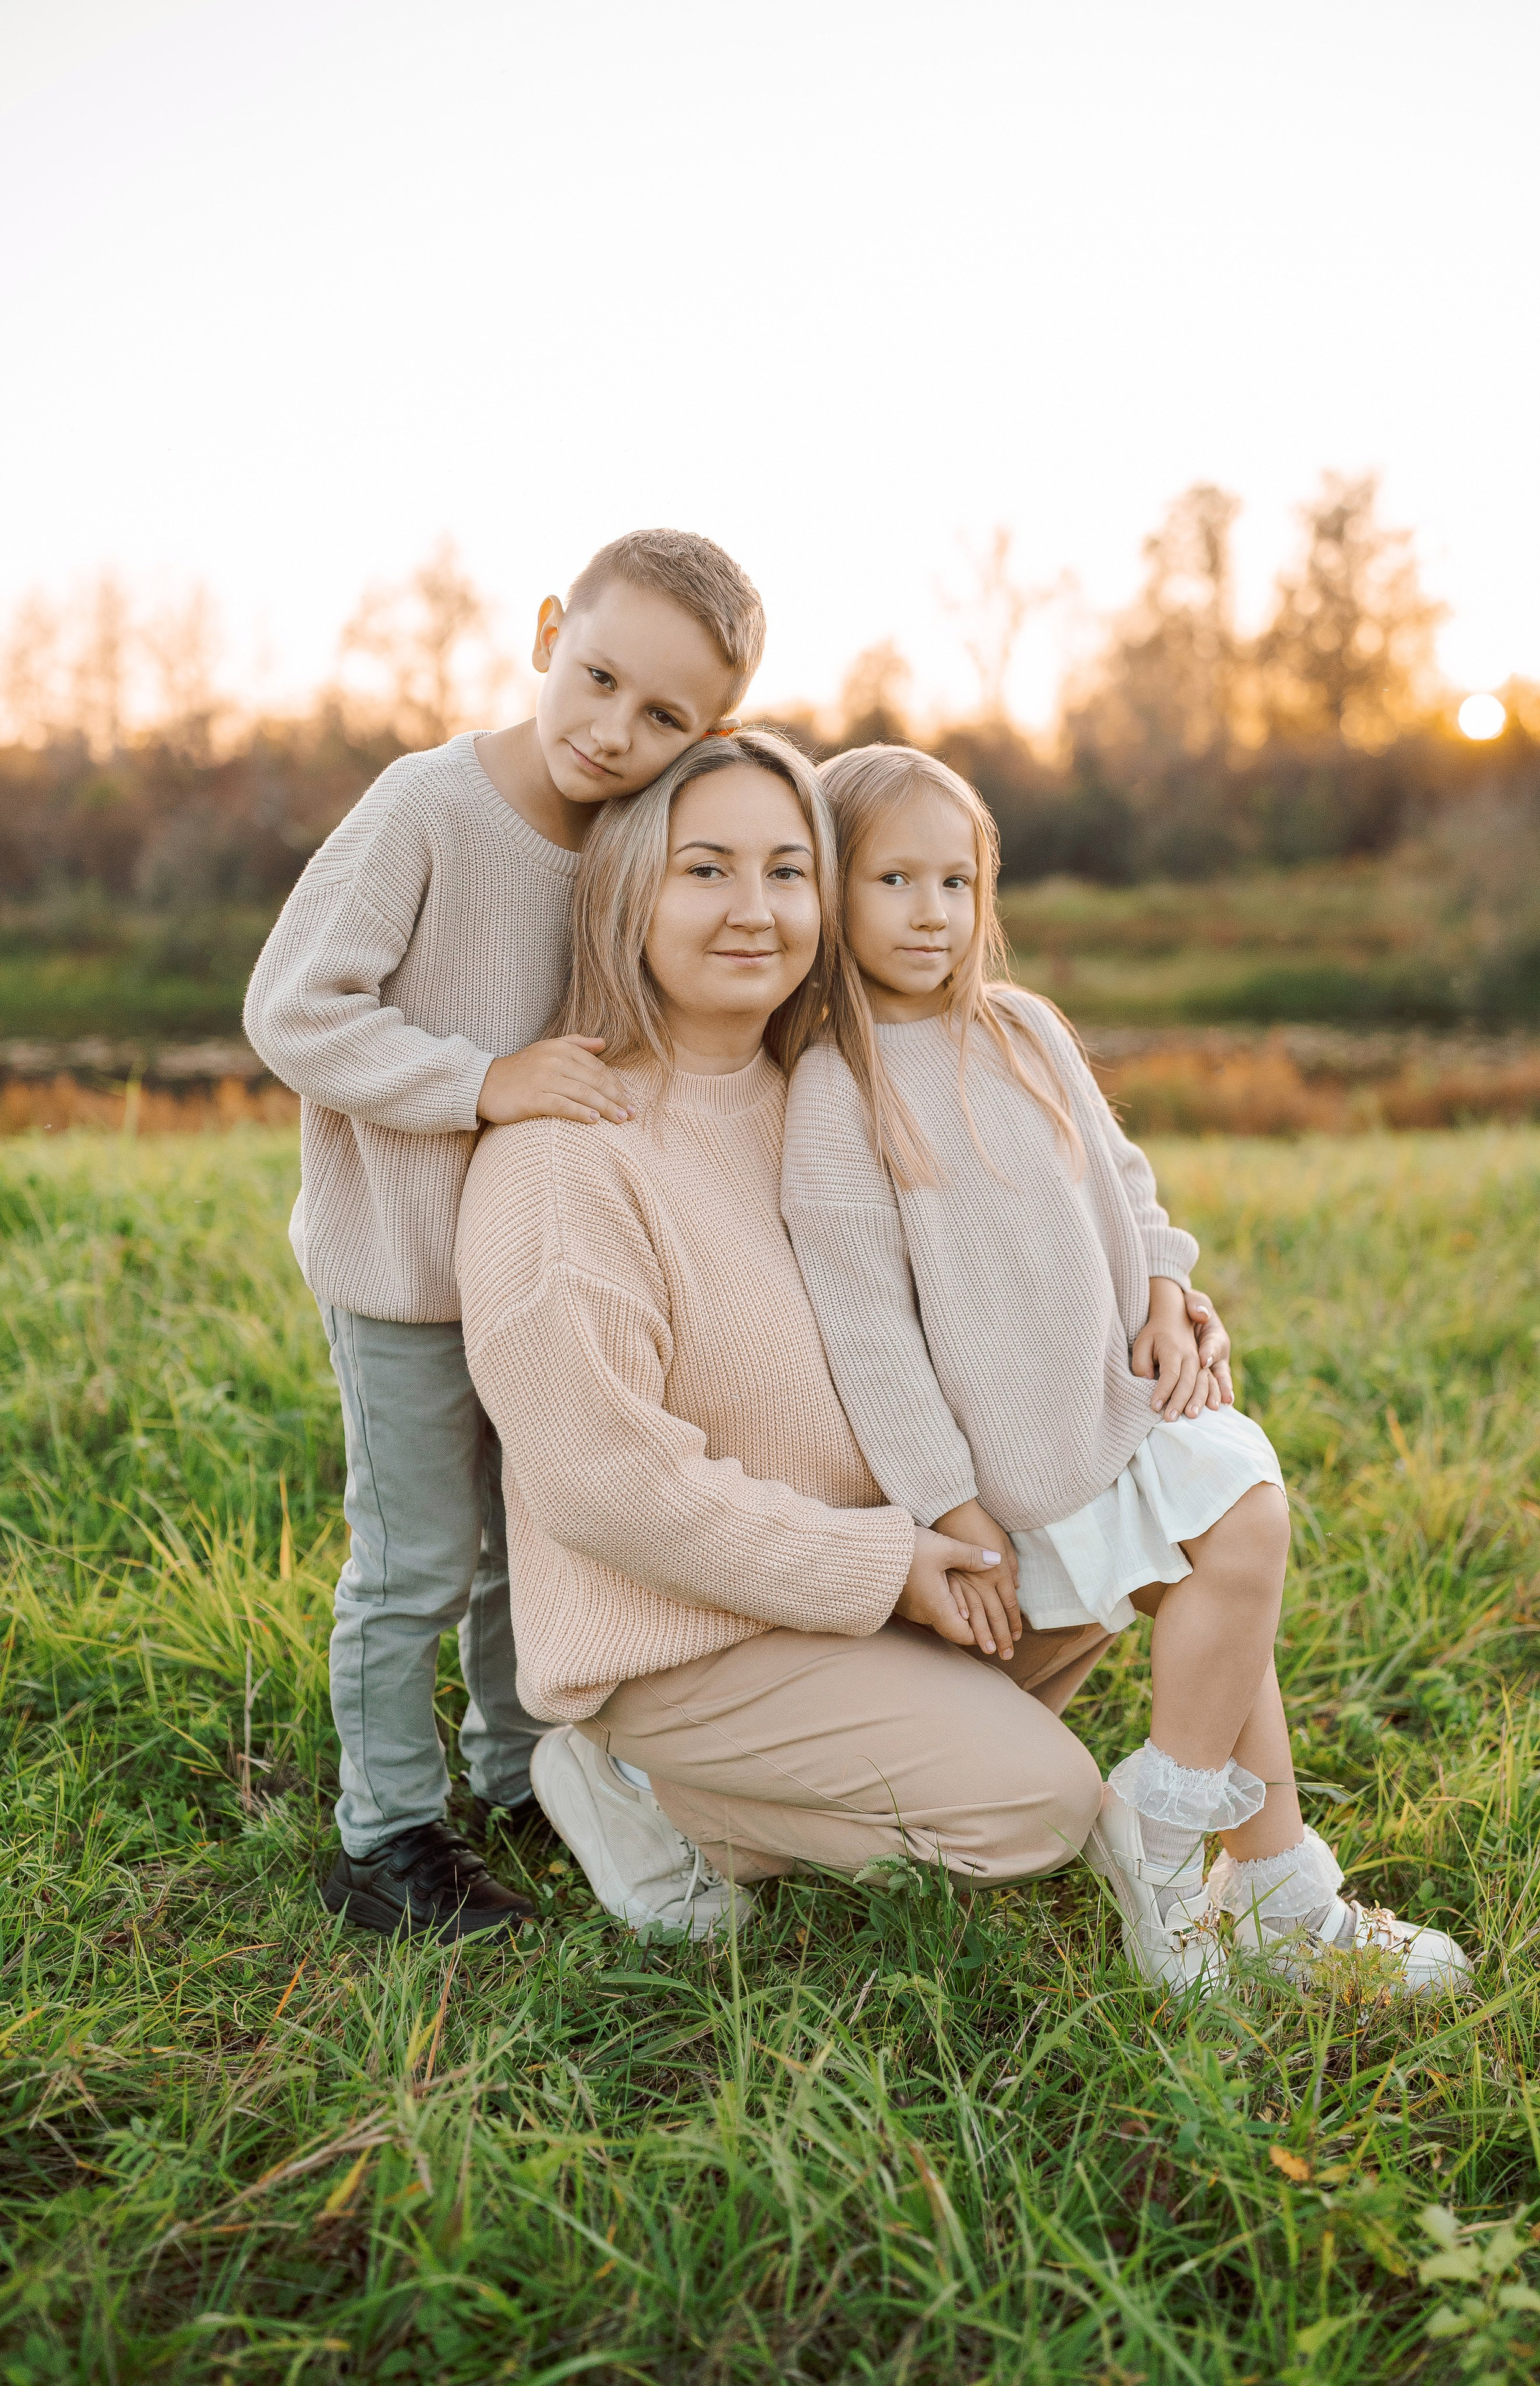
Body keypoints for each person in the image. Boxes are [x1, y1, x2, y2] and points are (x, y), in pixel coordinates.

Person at [781, 744, 1472, 1996]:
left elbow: (1121, 1172)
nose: (930, 913)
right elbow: (864, 1329)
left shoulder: (1024, 1028)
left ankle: (1237, 1869)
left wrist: (1161, 1285)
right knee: (1232, 1547)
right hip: (1008, 1455)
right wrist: (946, 1501)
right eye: (892, 880)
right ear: (829, 893)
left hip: (1113, 1395)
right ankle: (1192, 1856)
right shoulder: (837, 1085)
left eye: (955, 880)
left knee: (1237, 1540)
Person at [455, 731, 1119, 1941]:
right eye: (704, 870)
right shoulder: (565, 1155)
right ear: (625, 890)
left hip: (865, 1583)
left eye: (787, 870)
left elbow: (1022, 1269)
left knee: (1116, 1540)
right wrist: (882, 1569)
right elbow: (606, 1485)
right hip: (686, 1642)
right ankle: (646, 1790)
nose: (753, 910)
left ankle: (872, 1736)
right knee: (1040, 1803)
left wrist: (1166, 1293)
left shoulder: (829, 1089)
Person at [243, 529, 764, 1942]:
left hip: (537, 1276)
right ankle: (386, 1836)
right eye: (597, 679)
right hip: (410, 1270)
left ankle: (517, 1766)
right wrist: (482, 1081)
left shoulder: (629, 841)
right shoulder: (427, 805)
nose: (615, 731)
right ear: (547, 633)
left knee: (515, 1548)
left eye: (665, 718)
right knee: (411, 1555)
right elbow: (292, 1009)